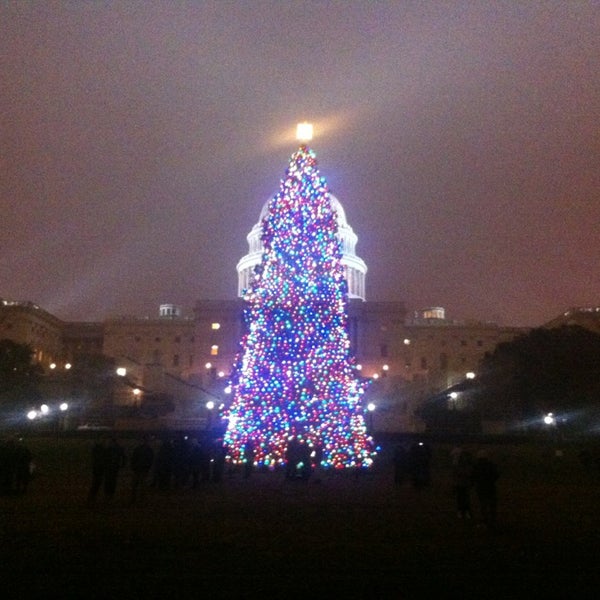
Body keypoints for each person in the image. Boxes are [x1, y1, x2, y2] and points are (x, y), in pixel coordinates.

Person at [472, 450, 500, 529]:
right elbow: (496, 475)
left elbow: (473, 476)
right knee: (492, 505)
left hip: (481, 488)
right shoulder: (491, 465)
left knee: (483, 505)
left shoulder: (476, 466)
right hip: (490, 487)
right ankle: (493, 521)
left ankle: (485, 521)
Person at [129, 435, 154, 504]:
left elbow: (133, 458)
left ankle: (134, 498)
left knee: (136, 485)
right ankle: (140, 499)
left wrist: (133, 466)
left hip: (139, 468)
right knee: (141, 485)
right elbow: (151, 460)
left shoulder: (138, 449)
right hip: (142, 468)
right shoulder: (149, 450)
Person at [452, 449, 473, 519]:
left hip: (465, 484)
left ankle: (466, 511)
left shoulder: (468, 466)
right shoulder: (459, 466)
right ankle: (461, 511)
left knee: (466, 498)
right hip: (461, 484)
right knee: (461, 498)